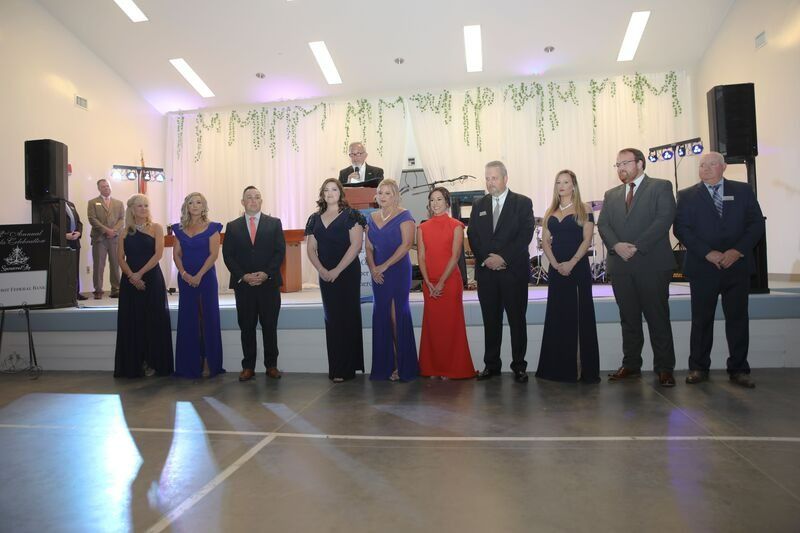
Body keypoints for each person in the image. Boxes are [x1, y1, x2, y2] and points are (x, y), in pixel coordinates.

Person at [674, 152, 765, 388]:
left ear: (724, 167)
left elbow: (756, 224)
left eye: (711, 164)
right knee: (701, 320)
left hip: (737, 266)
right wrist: (707, 252)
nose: (705, 168)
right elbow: (681, 229)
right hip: (703, 266)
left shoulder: (743, 190)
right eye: (701, 165)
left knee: (738, 319)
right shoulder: (686, 195)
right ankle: (698, 367)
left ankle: (739, 369)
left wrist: (738, 251)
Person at [597, 148, 677, 387]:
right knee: (629, 319)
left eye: (625, 163)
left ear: (640, 163)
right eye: (618, 164)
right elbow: (603, 224)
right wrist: (616, 246)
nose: (621, 168)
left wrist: (637, 246)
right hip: (621, 266)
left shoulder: (660, 187)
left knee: (657, 318)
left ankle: (664, 368)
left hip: (652, 264)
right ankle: (631, 364)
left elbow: (664, 219)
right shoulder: (611, 194)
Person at [467, 161, 535, 383]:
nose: (490, 182)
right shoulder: (479, 204)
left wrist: (503, 258)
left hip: (513, 273)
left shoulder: (522, 203)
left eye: (494, 178)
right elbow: (473, 235)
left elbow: (525, 235)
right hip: (487, 274)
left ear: (505, 178)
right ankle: (491, 365)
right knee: (490, 321)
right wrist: (487, 260)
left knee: (517, 321)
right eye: (487, 178)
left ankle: (519, 366)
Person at [535, 170, 600, 383]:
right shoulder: (550, 211)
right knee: (557, 316)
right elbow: (545, 242)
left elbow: (587, 240)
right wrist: (555, 265)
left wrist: (571, 263)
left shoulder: (584, 209)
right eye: (558, 182)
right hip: (557, 270)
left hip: (577, 268)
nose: (561, 185)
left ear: (574, 185)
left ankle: (580, 370)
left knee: (579, 316)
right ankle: (557, 368)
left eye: (566, 182)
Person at [305, 178, 367, 382]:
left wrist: (337, 270)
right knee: (331, 320)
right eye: (326, 190)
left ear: (340, 193)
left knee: (347, 317)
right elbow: (311, 249)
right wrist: (322, 270)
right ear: (322, 194)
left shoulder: (351, 215)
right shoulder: (314, 219)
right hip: (325, 274)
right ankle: (337, 368)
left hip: (347, 272)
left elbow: (356, 246)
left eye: (334, 189)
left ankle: (348, 368)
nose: (330, 193)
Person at [222, 186, 286, 382]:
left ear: (261, 201)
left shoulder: (274, 223)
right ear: (242, 202)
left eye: (257, 197)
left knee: (269, 326)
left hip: (268, 284)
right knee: (247, 326)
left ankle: (271, 365)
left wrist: (266, 273)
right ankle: (248, 367)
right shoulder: (232, 226)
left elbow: (279, 252)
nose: (253, 200)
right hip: (244, 286)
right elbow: (228, 255)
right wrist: (244, 276)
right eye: (249, 197)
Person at [417, 187, 476, 379]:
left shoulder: (456, 225)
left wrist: (441, 282)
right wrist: (427, 281)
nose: (435, 204)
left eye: (439, 199)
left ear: (447, 203)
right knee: (433, 327)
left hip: (449, 282)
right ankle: (433, 368)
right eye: (432, 200)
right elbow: (421, 257)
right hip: (429, 283)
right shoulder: (422, 228)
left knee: (450, 326)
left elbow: (455, 256)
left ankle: (451, 368)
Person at [113, 194, 173, 378]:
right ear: (132, 209)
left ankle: (154, 362)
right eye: (140, 206)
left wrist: (140, 274)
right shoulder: (124, 231)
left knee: (153, 321)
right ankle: (135, 364)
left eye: (146, 205)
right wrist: (132, 276)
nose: (144, 209)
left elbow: (158, 255)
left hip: (151, 279)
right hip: (130, 281)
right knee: (133, 322)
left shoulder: (156, 228)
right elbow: (120, 258)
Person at [365, 178, 418, 381]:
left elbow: (406, 245)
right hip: (378, 274)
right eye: (380, 192)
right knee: (382, 316)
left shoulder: (405, 215)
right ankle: (386, 366)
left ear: (395, 195)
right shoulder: (371, 217)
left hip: (397, 272)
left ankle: (403, 366)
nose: (383, 196)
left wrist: (384, 266)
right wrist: (373, 268)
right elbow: (368, 247)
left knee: (396, 317)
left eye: (388, 193)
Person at [172, 192, 225, 379]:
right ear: (186, 206)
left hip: (206, 279)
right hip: (186, 280)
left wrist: (199, 275)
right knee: (188, 321)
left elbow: (213, 255)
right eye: (191, 203)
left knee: (207, 319)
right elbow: (176, 255)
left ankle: (209, 362)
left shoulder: (212, 228)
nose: (194, 206)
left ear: (204, 206)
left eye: (198, 202)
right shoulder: (179, 229)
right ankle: (189, 364)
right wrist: (185, 274)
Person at [39, 198, 86, 301]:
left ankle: (75, 293)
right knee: (62, 270)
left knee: (74, 268)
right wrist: (63, 235)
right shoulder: (51, 205)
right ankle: (64, 294)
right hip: (60, 242)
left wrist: (79, 233)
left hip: (74, 242)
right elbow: (50, 224)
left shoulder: (71, 204)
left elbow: (79, 222)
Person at [87, 178, 125, 299]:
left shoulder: (119, 203)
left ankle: (116, 289)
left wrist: (114, 231)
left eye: (108, 186)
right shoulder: (93, 202)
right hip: (99, 238)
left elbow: (122, 219)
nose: (106, 188)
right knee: (99, 265)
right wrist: (106, 230)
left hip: (115, 238)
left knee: (115, 264)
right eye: (103, 186)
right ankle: (98, 290)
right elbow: (92, 219)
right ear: (99, 188)